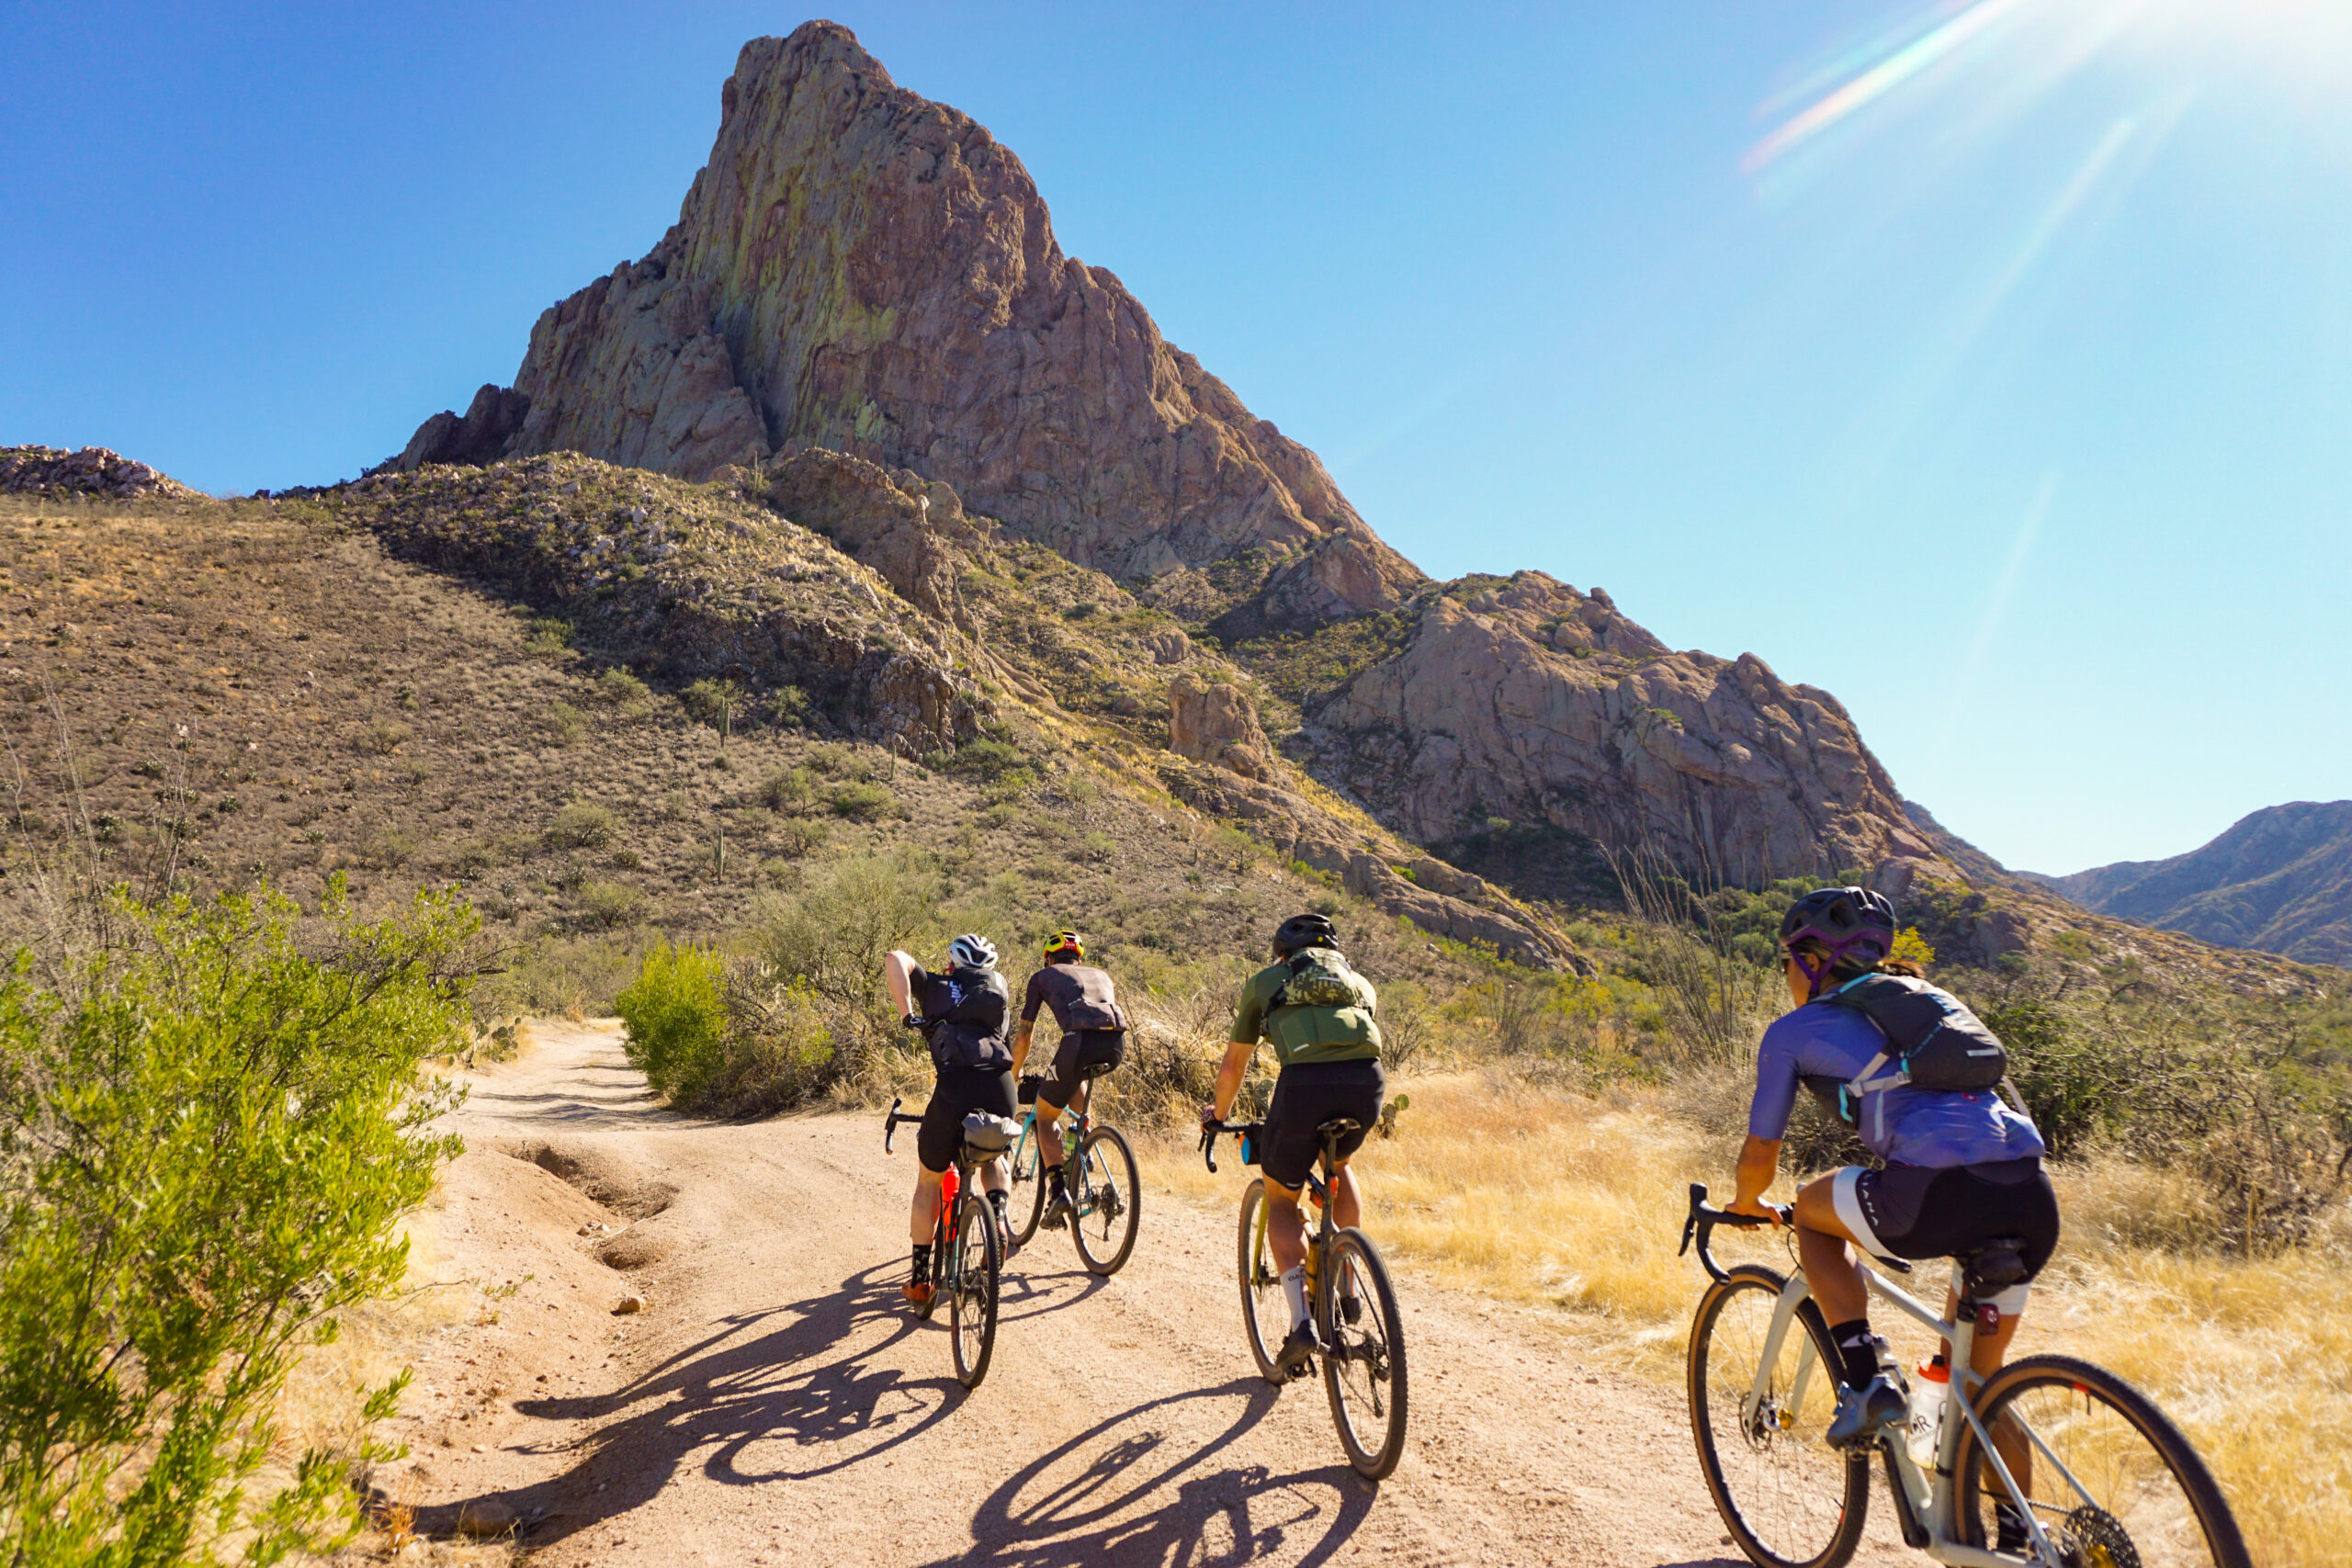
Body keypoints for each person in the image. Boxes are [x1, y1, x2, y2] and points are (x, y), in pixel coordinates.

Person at [1728, 886, 2055, 1549]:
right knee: (1975, 1383)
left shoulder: (1795, 1030)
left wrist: (1745, 1203)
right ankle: (2023, 1539)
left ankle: (1865, 1379)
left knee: (1811, 1211)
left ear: (1811, 960)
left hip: (1934, 1193)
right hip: (2030, 1195)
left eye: (1787, 961)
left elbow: (1762, 1149)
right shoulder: (1923, 1007)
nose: (1786, 975)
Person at [1202, 913, 1385, 1378]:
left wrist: (1217, 1117)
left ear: (1283, 953)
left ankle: (1302, 1323)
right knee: (1339, 1163)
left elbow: (1233, 1067)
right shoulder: (1359, 983)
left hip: (1304, 1086)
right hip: (1368, 1084)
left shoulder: (1266, 982)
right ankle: (1348, 1283)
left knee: (1282, 1199)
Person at [885, 933, 1017, 1311]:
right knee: (994, 1157)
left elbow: (895, 957)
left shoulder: (936, 986)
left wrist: (908, 1013)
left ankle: (920, 1281)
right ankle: (998, 1220)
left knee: (929, 1180)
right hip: (1001, 1088)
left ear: (952, 965)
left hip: (955, 1087)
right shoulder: (998, 998)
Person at [1011, 930, 1129, 1231]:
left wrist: (1013, 1072)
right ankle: (1081, 1139)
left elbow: (1024, 1036)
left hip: (1078, 1043)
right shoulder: (1102, 975)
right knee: (1076, 1076)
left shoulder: (1042, 977)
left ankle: (1057, 1191)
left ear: (1049, 959)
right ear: (1079, 959)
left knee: (1045, 1117)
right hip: (1116, 1045)